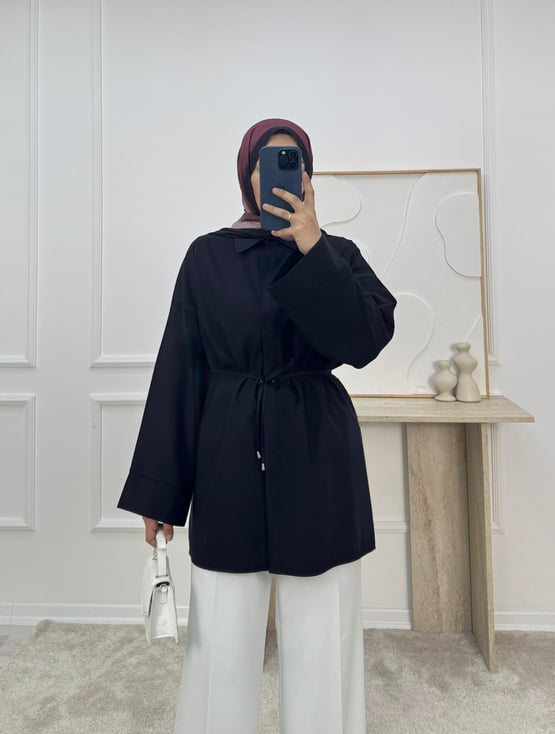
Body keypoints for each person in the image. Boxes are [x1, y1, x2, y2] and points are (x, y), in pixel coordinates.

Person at [117, 118, 397, 734]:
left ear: (309, 176)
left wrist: (313, 248)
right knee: (221, 638)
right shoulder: (207, 256)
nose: (277, 174)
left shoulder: (339, 256)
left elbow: (364, 341)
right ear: (245, 174)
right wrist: (160, 494)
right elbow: (179, 371)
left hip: (318, 458)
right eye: (265, 162)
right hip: (228, 457)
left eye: (293, 162)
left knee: (322, 636)